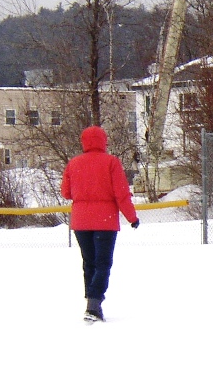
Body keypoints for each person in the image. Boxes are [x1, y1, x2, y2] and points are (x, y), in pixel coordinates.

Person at [61, 126, 139, 322]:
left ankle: (91, 302)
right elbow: (121, 193)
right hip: (105, 221)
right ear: (103, 141)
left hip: (81, 221)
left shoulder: (74, 163)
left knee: (89, 262)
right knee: (103, 263)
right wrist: (132, 217)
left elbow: (66, 193)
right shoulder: (111, 162)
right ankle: (94, 304)